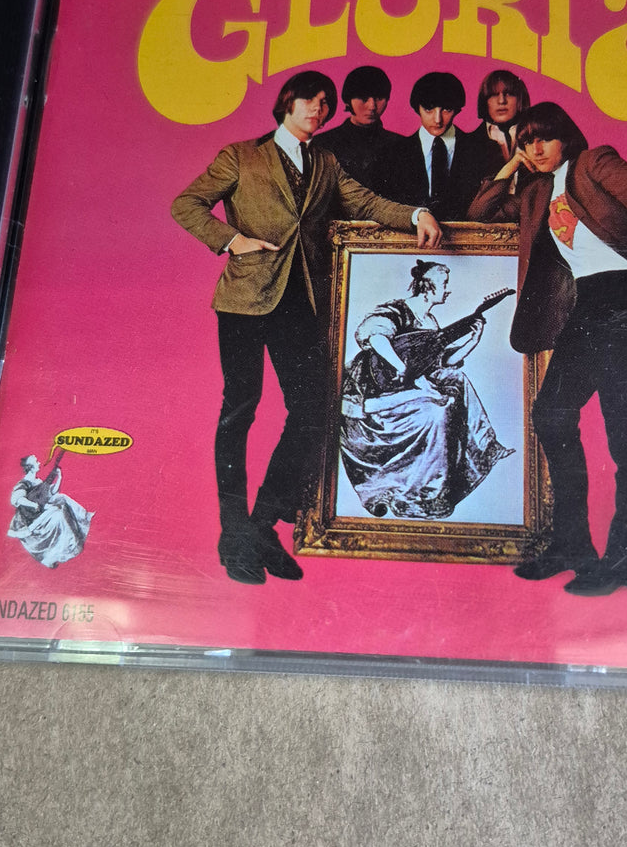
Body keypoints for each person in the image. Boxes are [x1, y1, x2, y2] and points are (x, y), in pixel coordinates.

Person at [172, 69, 442, 585]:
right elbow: (186, 204)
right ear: (286, 104)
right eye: (309, 101)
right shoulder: (241, 156)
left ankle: (261, 524)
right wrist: (231, 240)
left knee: (314, 409)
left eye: (325, 103)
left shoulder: (325, 161)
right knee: (240, 409)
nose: (318, 110)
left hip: (300, 304)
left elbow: (365, 202)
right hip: (245, 301)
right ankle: (234, 534)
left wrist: (416, 215)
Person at [469, 101, 627, 595]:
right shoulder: (535, 192)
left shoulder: (593, 163)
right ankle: (571, 546)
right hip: (588, 304)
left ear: (566, 138)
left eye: (544, 138)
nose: (536, 148)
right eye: (526, 141)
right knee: (551, 415)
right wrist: (511, 165)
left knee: (624, 428)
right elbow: (479, 212)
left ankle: (625, 562)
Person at [339, 260, 513, 520]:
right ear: (428, 287)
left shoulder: (430, 322)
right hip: (376, 388)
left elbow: (439, 361)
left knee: (457, 379)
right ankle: (423, 491)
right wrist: (405, 371)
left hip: (409, 384)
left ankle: (465, 461)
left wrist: (472, 340)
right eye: (444, 284)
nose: (447, 290)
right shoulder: (397, 310)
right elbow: (376, 338)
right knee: (435, 413)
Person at [376, 71, 487, 221]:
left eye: (446, 110)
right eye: (429, 110)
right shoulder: (393, 153)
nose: (437, 119)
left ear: (457, 109)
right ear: (417, 108)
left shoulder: (480, 149)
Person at [312, 64, 399, 188]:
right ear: (348, 100)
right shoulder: (322, 144)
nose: (372, 106)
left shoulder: (401, 144)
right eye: (363, 99)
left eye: (379, 98)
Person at [8, 452, 93, 568]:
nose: (39, 463)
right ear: (30, 468)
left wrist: (59, 477)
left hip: (40, 510)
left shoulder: (38, 481)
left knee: (62, 499)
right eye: (36, 462)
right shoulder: (24, 483)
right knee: (58, 514)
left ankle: (76, 529)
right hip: (30, 517)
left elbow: (50, 494)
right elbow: (17, 499)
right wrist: (33, 505)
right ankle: (53, 552)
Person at [470, 69, 531, 185]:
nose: (502, 101)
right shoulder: (468, 144)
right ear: (485, 101)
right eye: (493, 95)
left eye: (509, 94)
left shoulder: (536, 138)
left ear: (520, 99)